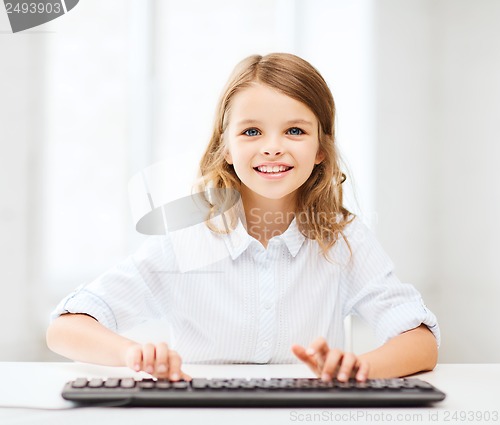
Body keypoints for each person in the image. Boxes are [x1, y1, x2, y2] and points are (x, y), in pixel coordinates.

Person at [46, 53, 439, 384]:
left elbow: (421, 341)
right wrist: (134, 354)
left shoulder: (343, 238)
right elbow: (65, 328)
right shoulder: (185, 238)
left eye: (295, 131)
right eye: (252, 131)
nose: (272, 147)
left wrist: (361, 368)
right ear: (227, 148)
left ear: (321, 148)